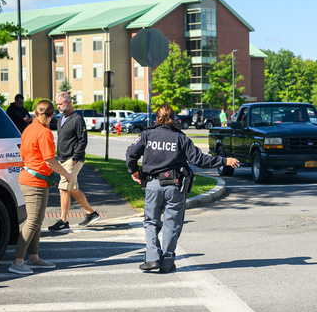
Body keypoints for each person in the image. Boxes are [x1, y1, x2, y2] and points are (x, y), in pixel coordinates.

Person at [126, 105, 239, 273]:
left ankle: (152, 257)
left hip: (153, 184)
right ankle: (167, 262)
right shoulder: (181, 138)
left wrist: (134, 171)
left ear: (156, 118)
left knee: (150, 222)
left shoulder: (147, 135)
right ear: (174, 118)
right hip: (175, 185)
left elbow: (131, 153)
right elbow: (199, 159)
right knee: (172, 224)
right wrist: (224, 160)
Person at [9, 100, 73, 275]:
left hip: (29, 178)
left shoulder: (28, 128)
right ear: (52, 116)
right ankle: (17, 261)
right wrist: (66, 175)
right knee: (33, 221)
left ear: (35, 113)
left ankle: (34, 257)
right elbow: (50, 160)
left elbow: (23, 153)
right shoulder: (44, 133)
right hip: (35, 182)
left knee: (36, 220)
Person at [48, 92, 100, 232]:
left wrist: (74, 158)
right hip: (62, 159)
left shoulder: (77, 119)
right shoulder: (60, 119)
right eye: (57, 104)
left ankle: (63, 221)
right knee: (73, 189)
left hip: (73, 160)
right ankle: (91, 213)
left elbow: (82, 140)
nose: (58, 107)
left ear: (69, 102)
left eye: (61, 104)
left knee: (63, 189)